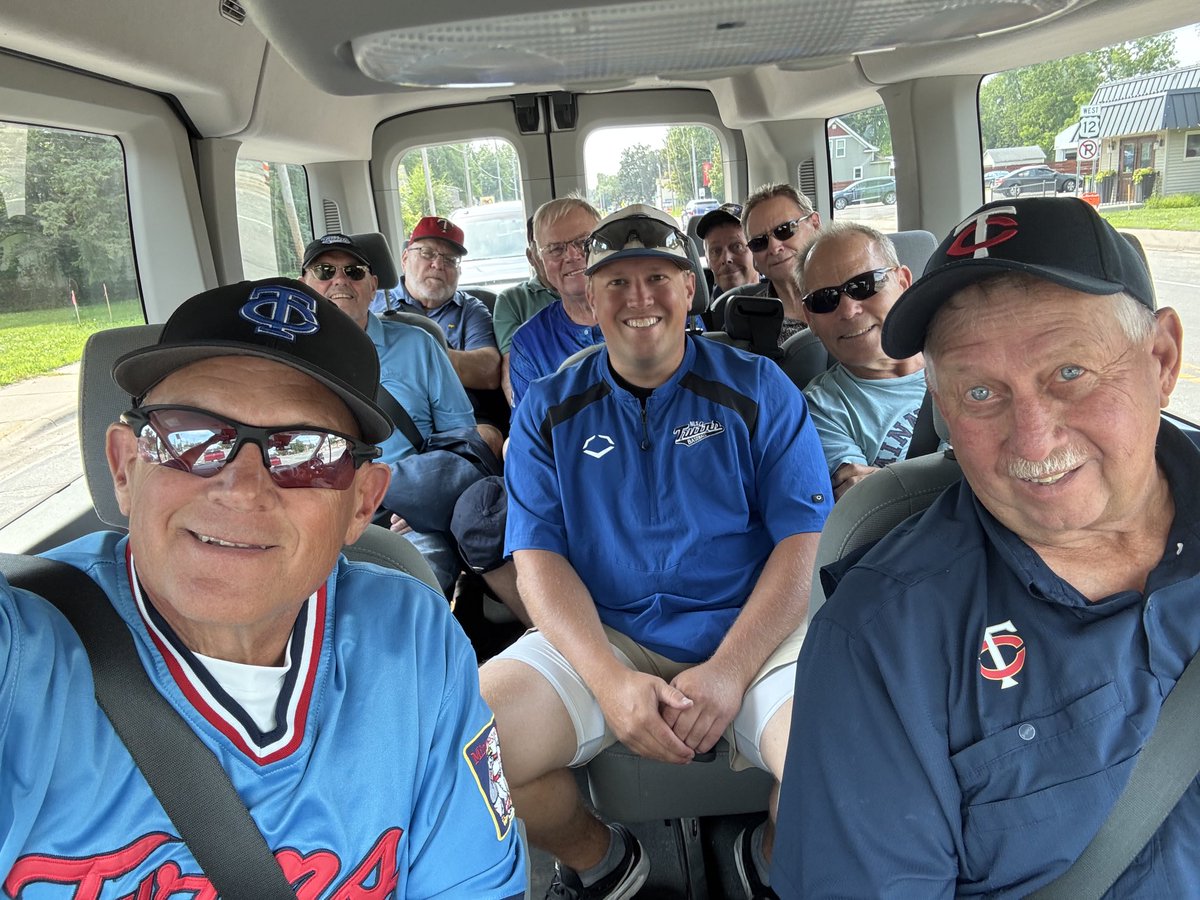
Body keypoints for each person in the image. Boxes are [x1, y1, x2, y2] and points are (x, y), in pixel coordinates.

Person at [0, 278, 525, 897]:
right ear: (125, 466)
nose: (243, 488)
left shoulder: (412, 635)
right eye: (193, 437)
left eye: (307, 452)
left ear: (363, 503)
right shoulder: (22, 652)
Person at [773, 197, 1191, 897]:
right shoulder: (881, 640)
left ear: (1162, 360)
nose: (1033, 439)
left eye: (1069, 373)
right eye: (979, 392)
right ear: (937, 401)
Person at [482, 204, 833, 899]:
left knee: (841, 767)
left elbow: (801, 547)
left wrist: (730, 670)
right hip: (605, 631)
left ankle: (765, 860)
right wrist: (610, 682)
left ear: (689, 288)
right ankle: (603, 861)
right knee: (470, 748)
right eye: (616, 282)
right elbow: (538, 562)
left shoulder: (760, 389)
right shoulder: (547, 408)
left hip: (752, 632)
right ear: (590, 293)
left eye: (659, 278)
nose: (639, 299)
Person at [300, 232, 477, 597]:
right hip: (316, 512)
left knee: (409, 597)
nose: (340, 281)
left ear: (373, 285)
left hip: (407, 514)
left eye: (354, 271)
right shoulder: (287, 360)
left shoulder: (418, 345)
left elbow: (463, 440)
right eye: (325, 270)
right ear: (304, 283)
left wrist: (425, 501)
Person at [798, 222, 927, 499]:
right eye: (824, 299)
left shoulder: (966, 360)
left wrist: (891, 485)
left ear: (903, 282)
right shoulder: (820, 409)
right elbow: (869, 506)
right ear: (810, 320)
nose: (848, 309)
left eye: (864, 285)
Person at [371, 216, 501, 393]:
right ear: (405, 258)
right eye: (427, 253)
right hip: (391, 412)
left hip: (463, 413)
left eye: (450, 259)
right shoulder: (371, 302)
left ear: (459, 270)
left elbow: (488, 372)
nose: (438, 264)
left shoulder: (471, 309)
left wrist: (414, 350)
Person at [507, 196, 604, 408]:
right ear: (539, 261)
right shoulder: (529, 343)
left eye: (583, 242)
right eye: (555, 249)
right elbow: (528, 433)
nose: (571, 255)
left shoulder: (646, 314)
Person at [736, 183, 822, 343]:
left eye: (784, 230)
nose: (774, 248)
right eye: (759, 242)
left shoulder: (855, 295)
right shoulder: (745, 322)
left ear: (815, 224)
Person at [494, 216, 560, 404]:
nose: (568, 256)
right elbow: (513, 368)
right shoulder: (512, 300)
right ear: (532, 256)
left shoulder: (604, 292)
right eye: (554, 249)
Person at [695, 202, 758, 296]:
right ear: (707, 259)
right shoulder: (698, 307)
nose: (725, 258)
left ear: (756, 249)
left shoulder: (782, 295)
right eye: (716, 251)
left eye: (737, 246)